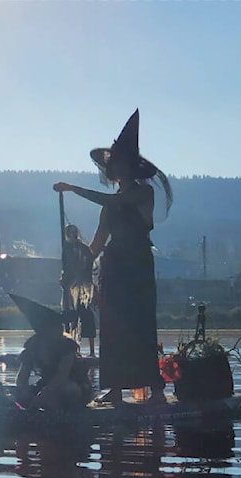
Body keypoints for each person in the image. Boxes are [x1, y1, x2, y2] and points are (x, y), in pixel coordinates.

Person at [54, 109, 173, 405]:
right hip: (115, 265)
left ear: (130, 166)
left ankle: (155, 389)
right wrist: (76, 269)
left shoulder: (143, 193)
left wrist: (72, 188)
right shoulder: (108, 208)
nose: (115, 168)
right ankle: (116, 388)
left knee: (140, 323)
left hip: (138, 265)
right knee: (112, 324)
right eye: (113, 164)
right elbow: (96, 245)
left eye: (119, 163)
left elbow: (113, 200)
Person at [10, 293, 94, 411]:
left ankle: (61, 414)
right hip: (47, 384)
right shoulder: (33, 346)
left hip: (73, 385)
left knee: (67, 390)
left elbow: (62, 376)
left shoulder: (66, 346)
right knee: (18, 393)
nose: (59, 329)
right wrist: (24, 391)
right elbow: (22, 378)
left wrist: (43, 395)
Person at [62, 224, 97, 357]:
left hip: (83, 290)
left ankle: (91, 351)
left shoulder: (82, 249)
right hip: (70, 288)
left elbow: (87, 267)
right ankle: (73, 350)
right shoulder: (67, 248)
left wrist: (79, 278)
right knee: (71, 318)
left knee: (85, 317)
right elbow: (66, 268)